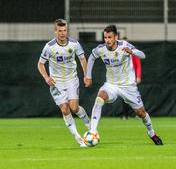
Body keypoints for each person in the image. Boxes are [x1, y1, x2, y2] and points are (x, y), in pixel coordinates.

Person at [84, 25, 163, 145]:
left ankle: (151, 133)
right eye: (105, 37)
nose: (107, 40)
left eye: (109, 37)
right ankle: (93, 131)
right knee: (100, 98)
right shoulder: (101, 49)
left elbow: (143, 55)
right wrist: (88, 76)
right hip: (111, 85)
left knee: (141, 113)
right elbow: (91, 57)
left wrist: (132, 51)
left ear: (116, 37)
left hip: (128, 86)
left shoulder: (124, 45)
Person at [37, 19, 91, 147]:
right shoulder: (49, 46)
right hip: (57, 82)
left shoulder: (74, 44)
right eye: (60, 31)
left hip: (72, 79)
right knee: (65, 109)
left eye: (64, 30)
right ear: (55, 31)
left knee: (74, 108)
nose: (62, 33)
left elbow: (82, 59)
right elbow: (40, 64)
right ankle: (78, 138)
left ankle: (90, 127)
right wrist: (46, 77)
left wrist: (86, 76)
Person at [121, 37, 142, 120]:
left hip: (132, 79)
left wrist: (138, 77)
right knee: (124, 97)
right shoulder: (119, 53)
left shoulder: (133, 52)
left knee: (135, 96)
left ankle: (138, 114)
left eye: (126, 43)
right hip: (123, 79)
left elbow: (138, 65)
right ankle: (125, 115)